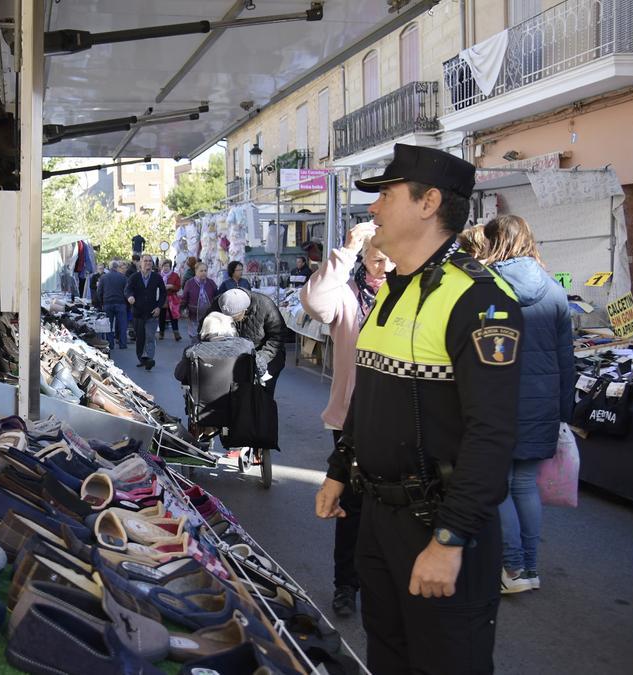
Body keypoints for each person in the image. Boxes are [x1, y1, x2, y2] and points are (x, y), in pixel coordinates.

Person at [314, 143, 523, 674]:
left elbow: (492, 435)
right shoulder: (394, 290)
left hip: (438, 526)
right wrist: (341, 469)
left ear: (429, 202)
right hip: (380, 521)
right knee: (389, 657)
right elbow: (369, 393)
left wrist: (450, 540)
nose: (374, 209)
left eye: (385, 194)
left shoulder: (480, 300)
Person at [299, 221, 393, 619]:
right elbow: (314, 303)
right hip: (350, 418)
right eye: (377, 257)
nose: (385, 265)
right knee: (350, 506)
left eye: (391, 257)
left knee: (391, 507)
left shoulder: (405, 293)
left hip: (397, 418)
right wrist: (347, 251)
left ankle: (385, 584)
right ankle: (346, 585)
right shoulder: (346, 295)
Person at [478, 215, 574, 595]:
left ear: (494, 242)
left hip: (498, 404)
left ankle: (514, 568)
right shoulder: (554, 290)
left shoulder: (488, 287)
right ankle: (530, 568)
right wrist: (564, 413)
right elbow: (567, 358)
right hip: (542, 406)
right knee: (525, 486)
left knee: (498, 486)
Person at [216, 288, 285, 463]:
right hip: (234, 358)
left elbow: (276, 337)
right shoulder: (221, 303)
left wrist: (261, 359)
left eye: (235, 317)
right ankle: (236, 440)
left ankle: (260, 444)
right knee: (234, 398)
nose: (231, 321)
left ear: (245, 311)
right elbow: (207, 326)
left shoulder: (265, 305)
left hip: (265, 356)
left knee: (262, 399)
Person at [125, 253, 166, 370]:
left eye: (150, 261)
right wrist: (130, 297)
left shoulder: (157, 277)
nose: (148, 263)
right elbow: (127, 289)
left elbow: (163, 293)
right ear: (140, 263)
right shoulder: (134, 277)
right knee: (140, 337)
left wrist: (159, 307)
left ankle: (149, 359)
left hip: (152, 313)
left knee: (150, 336)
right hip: (138, 312)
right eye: (145, 261)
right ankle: (141, 358)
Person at [181, 262, 219, 341]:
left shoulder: (211, 283)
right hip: (194, 315)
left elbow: (217, 297)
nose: (204, 273)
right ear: (196, 271)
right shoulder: (190, 283)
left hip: (209, 316)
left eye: (205, 270)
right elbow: (184, 298)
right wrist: (183, 309)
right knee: (195, 339)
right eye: (201, 271)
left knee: (207, 338)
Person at [97, 261, 128, 349]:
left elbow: (99, 292)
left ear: (109, 267)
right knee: (122, 324)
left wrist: (101, 303)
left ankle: (110, 344)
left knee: (108, 326)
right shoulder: (123, 277)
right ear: (117, 267)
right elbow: (127, 291)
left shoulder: (103, 277)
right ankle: (123, 344)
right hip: (121, 303)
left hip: (107, 303)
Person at [159, 260, 183, 342]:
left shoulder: (175, 275)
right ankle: (161, 333)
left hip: (172, 298)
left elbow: (178, 286)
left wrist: (171, 286)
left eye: (167, 266)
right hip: (161, 298)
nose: (166, 268)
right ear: (161, 267)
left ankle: (176, 333)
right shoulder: (159, 276)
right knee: (161, 316)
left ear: (170, 267)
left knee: (174, 316)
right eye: (164, 266)